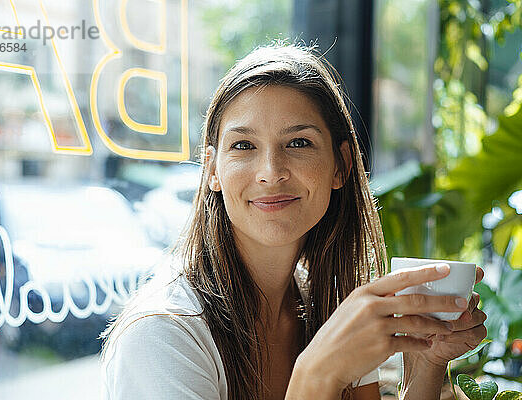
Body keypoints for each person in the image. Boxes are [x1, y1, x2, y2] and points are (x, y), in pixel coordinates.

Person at [100, 43, 487, 400]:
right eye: (243, 146)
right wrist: (315, 376)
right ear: (212, 171)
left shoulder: (330, 309)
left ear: (341, 166)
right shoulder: (162, 335)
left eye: (298, 143)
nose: (271, 172)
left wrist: (427, 365)